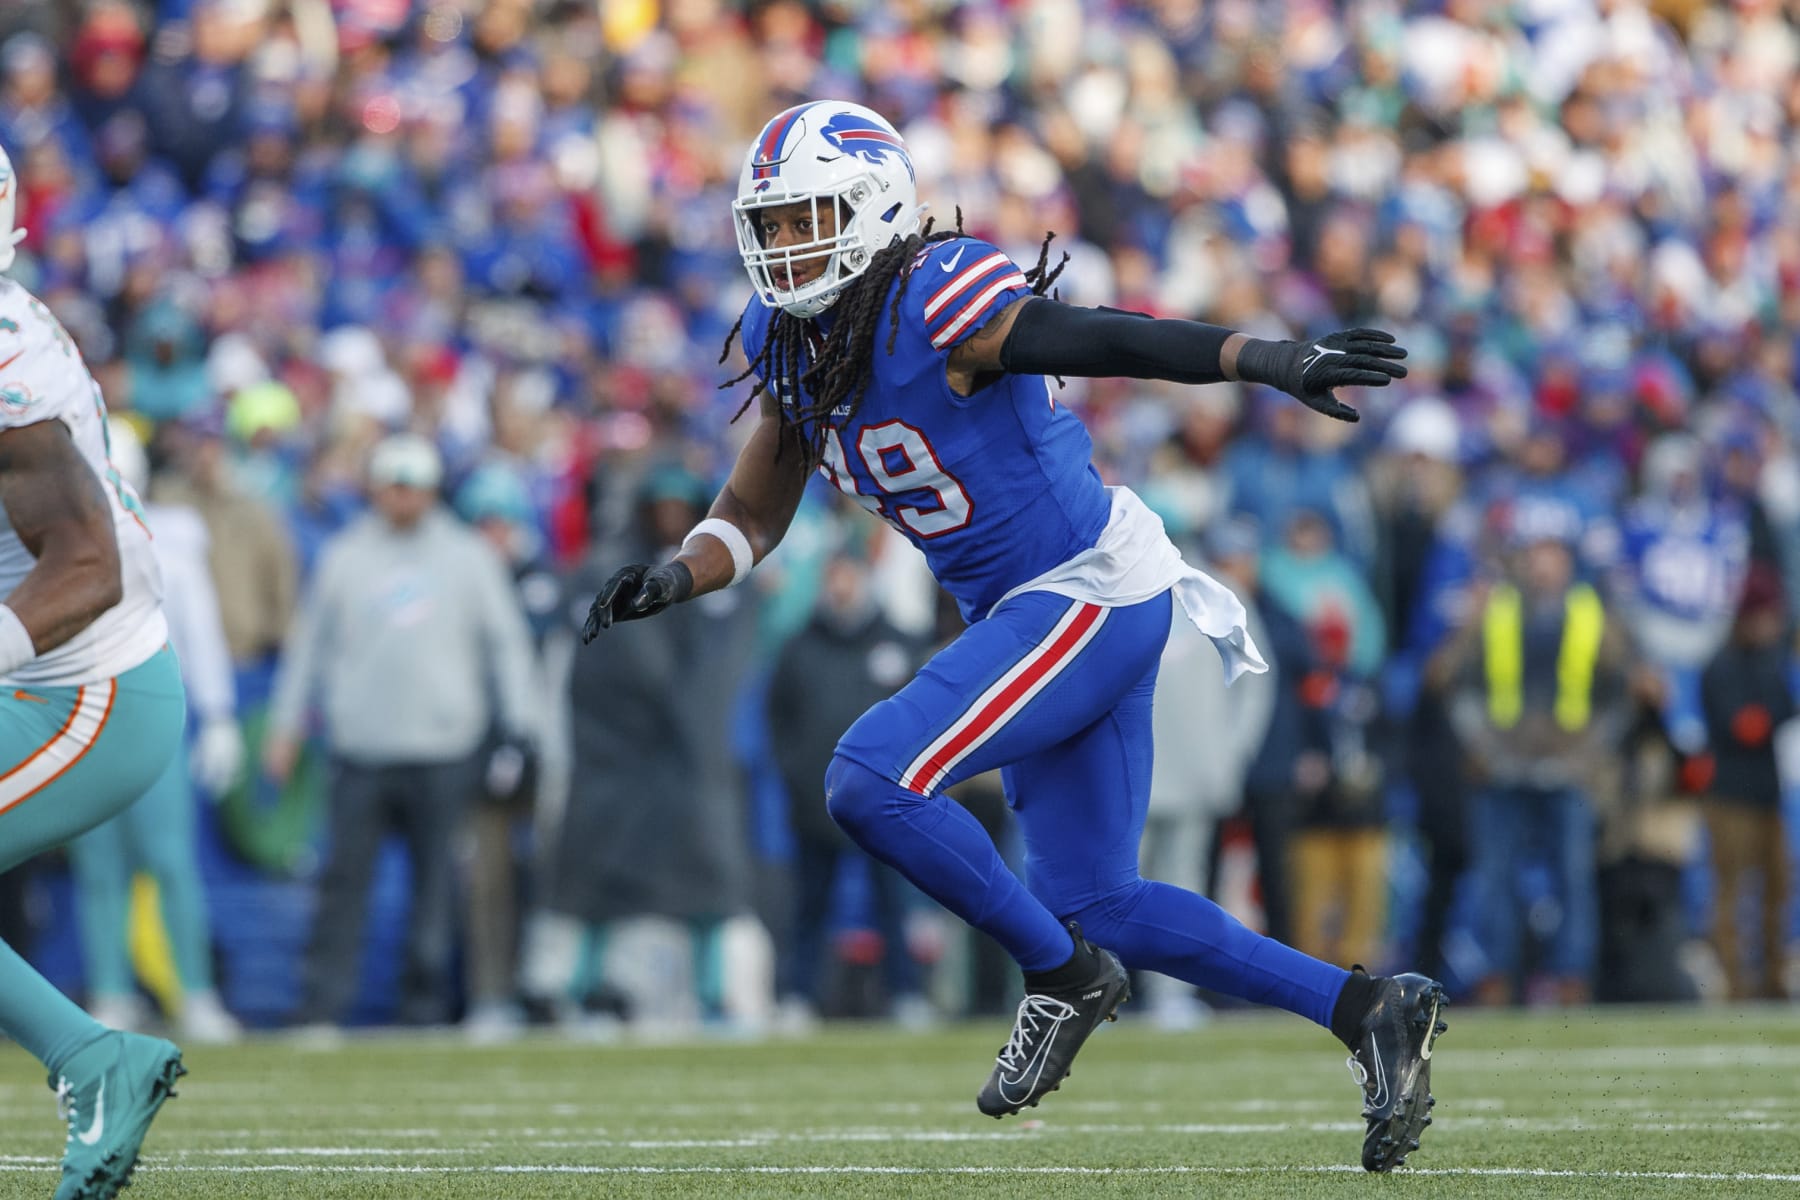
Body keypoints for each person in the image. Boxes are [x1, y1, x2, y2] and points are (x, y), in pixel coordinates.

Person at [582, 101, 1444, 1172]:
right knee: (1102, 900)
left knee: (869, 777)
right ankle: (1366, 1007)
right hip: (1041, 612)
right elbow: (755, 510)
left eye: (808, 219)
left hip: (1085, 593)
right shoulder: (793, 340)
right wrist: (676, 575)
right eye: (774, 224)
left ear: (870, 207)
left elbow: (1088, 334)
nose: (786, 245)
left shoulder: (931, 292)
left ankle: (1062, 976)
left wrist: (1262, 357)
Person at [0, 143, 186, 1199]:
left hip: (87, 689)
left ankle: (94, 1060)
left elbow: (87, 567)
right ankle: (90, 1058)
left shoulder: (5, 358)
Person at [265, 433, 535, 1030]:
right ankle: (322, 1005)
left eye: (413, 486)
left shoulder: (468, 556)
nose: (403, 498)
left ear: (431, 490)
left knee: (437, 888)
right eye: (394, 486)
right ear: (378, 489)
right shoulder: (346, 554)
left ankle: (425, 1007)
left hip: (443, 746)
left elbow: (506, 647)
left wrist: (518, 725)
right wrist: (286, 725)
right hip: (362, 746)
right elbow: (309, 646)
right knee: (343, 886)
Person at [66, 418, 242, 1045]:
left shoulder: (169, 535)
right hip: (86, 709)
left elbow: (199, 628)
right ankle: (111, 992)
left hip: (153, 709)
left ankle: (194, 993)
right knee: (100, 863)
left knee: (170, 859)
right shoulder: (61, 533)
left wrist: (219, 714)